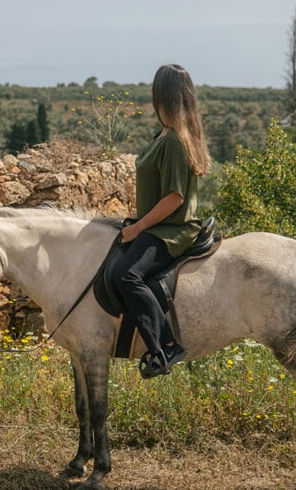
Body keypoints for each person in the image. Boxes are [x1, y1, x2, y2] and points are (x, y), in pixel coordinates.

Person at [114, 64, 211, 379]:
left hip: (171, 230)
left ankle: (166, 345)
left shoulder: (173, 141)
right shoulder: (166, 133)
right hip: (158, 224)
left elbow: (175, 198)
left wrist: (140, 227)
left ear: (160, 95)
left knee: (129, 276)